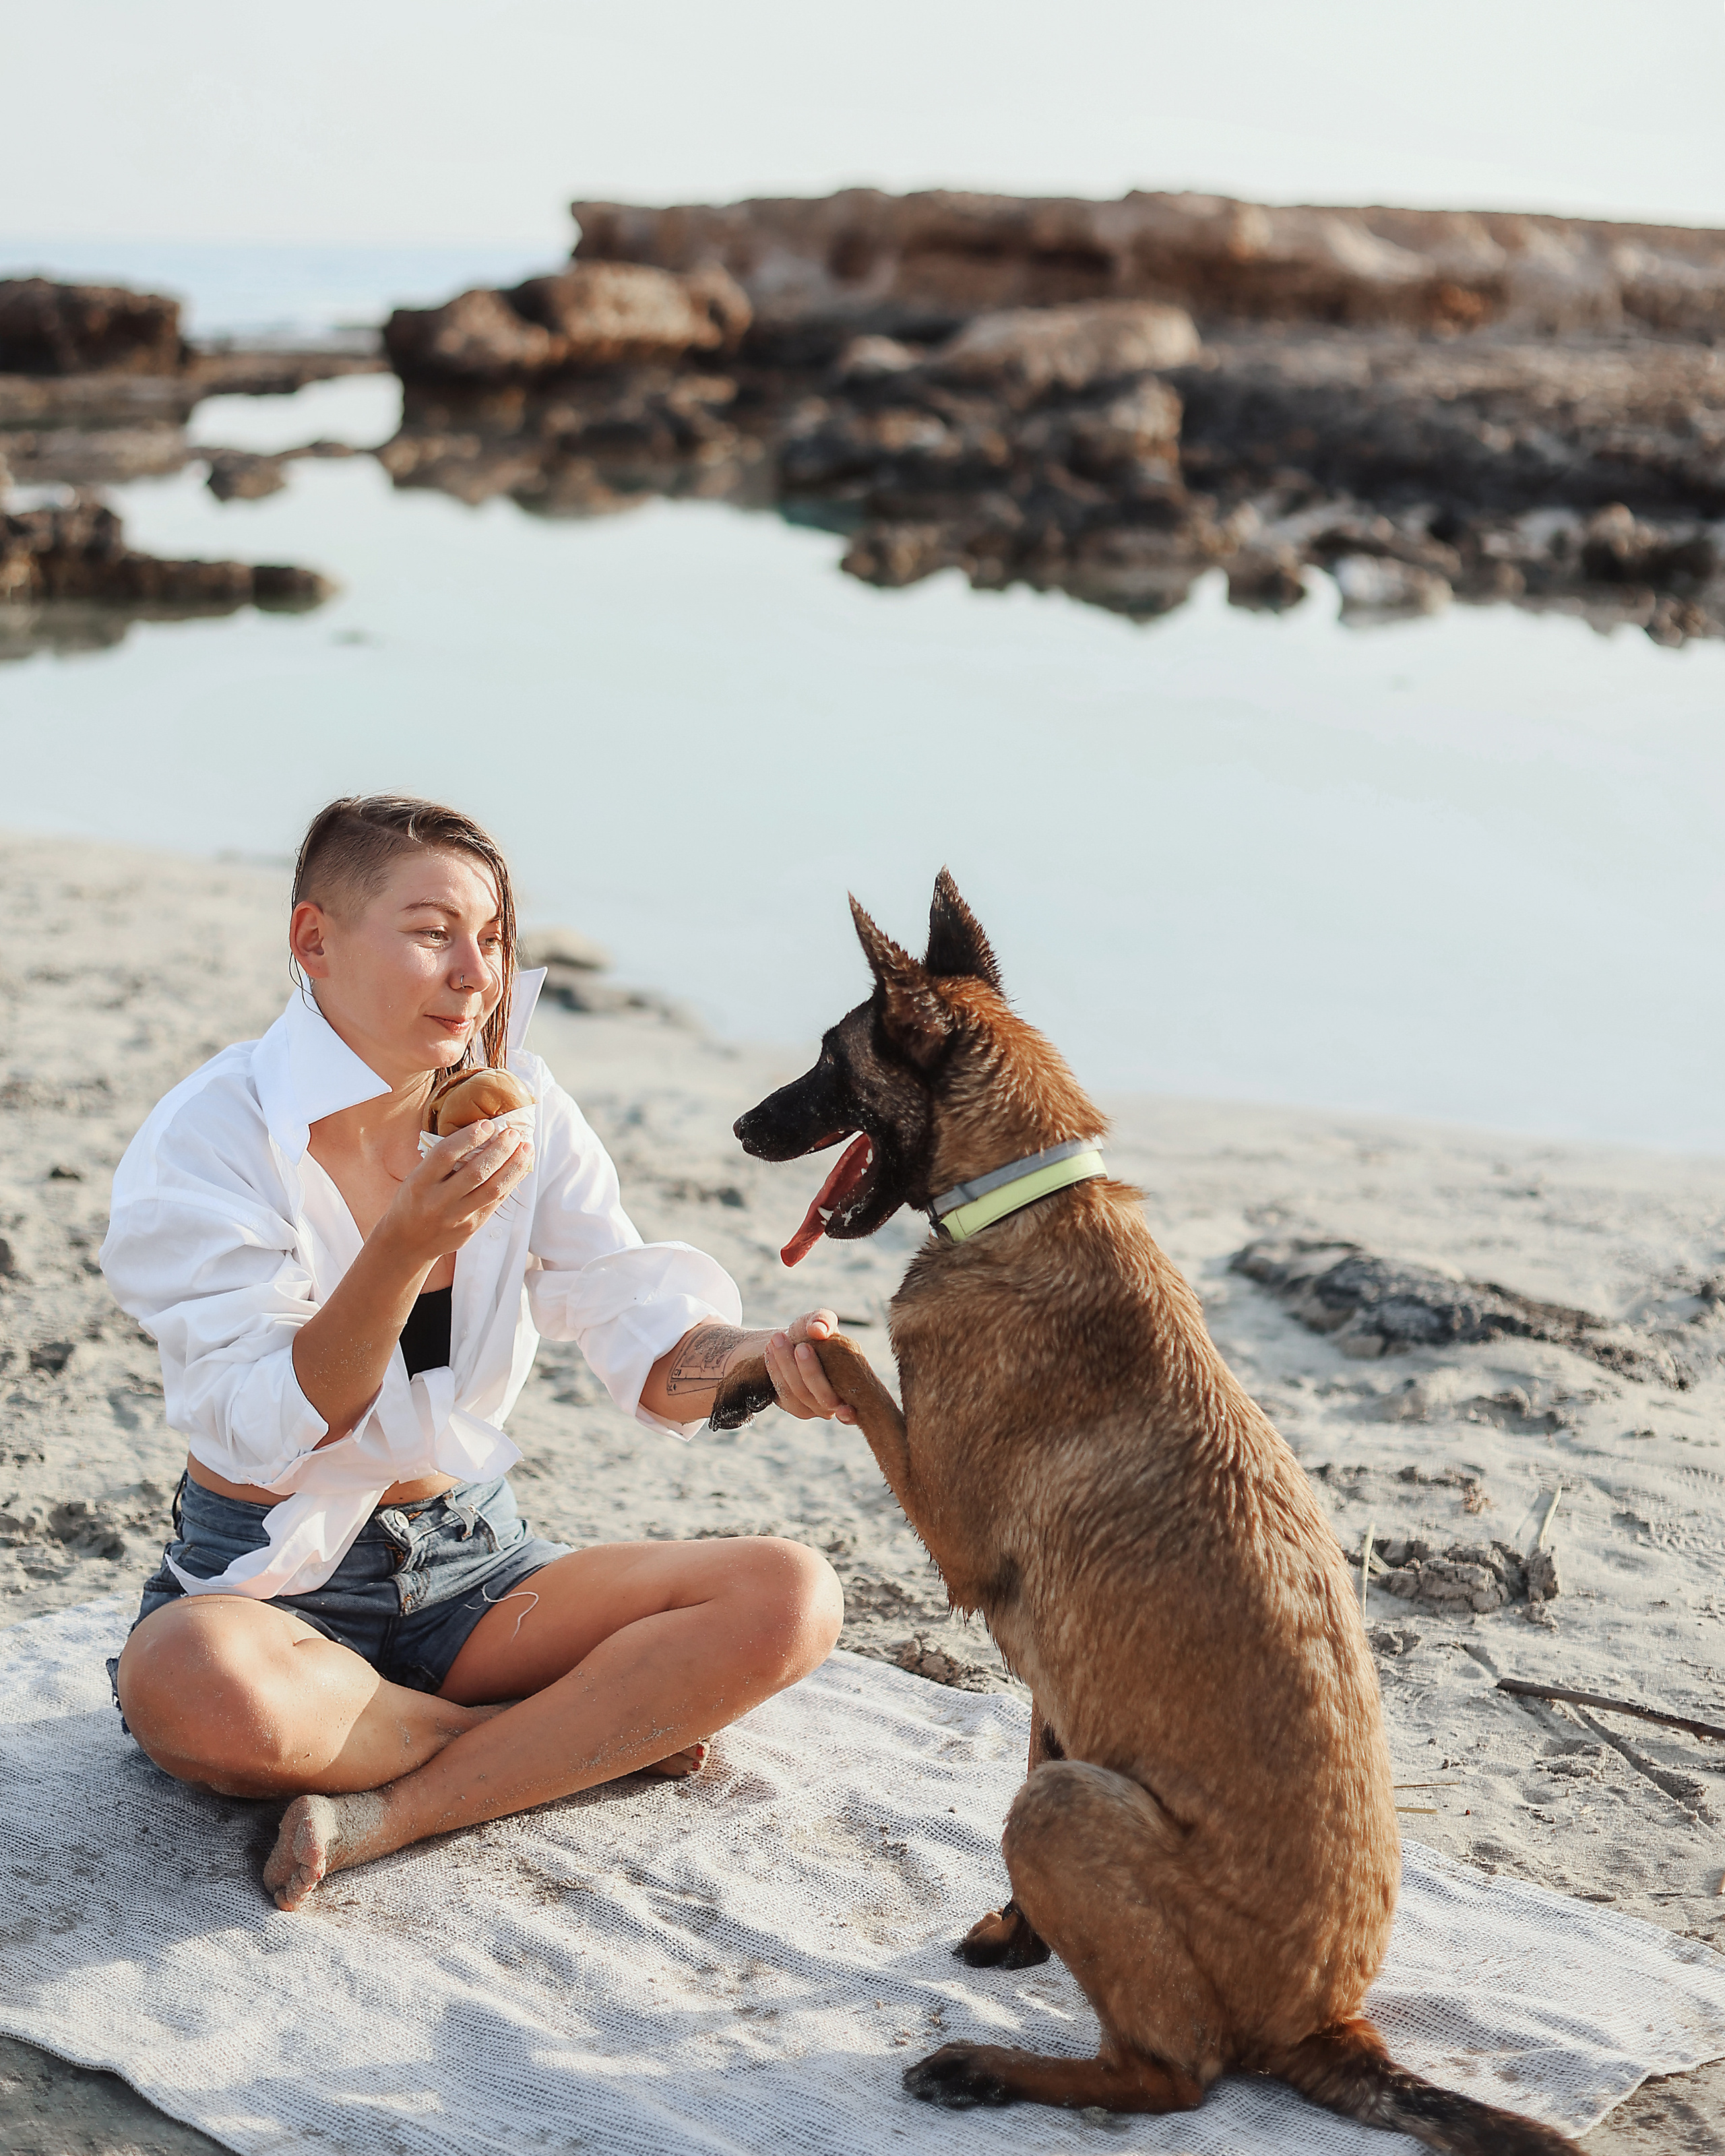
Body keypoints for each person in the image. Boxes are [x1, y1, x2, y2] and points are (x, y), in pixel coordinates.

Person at [102, 795, 850, 1912]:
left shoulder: (524, 1104)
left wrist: (761, 1360)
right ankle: (553, 1738)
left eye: (492, 939)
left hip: (474, 1565)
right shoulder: (214, 1136)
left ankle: (394, 1806)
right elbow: (271, 1416)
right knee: (192, 1691)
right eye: (431, 932)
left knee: (791, 1594)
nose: (476, 975)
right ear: (314, 939)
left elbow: (638, 1329)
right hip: (277, 1580)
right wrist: (403, 1245)